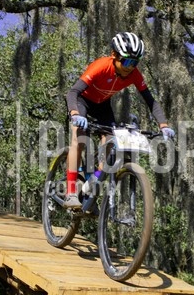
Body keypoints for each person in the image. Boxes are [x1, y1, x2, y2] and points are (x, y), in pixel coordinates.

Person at [64, 32, 175, 209]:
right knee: (80, 139)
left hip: (102, 105)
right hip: (82, 101)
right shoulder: (101, 66)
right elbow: (73, 92)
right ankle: (70, 191)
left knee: (110, 143)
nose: (130, 67)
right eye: (127, 61)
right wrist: (75, 113)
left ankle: (92, 184)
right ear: (114, 55)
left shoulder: (134, 74)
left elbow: (151, 101)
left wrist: (163, 125)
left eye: (135, 62)